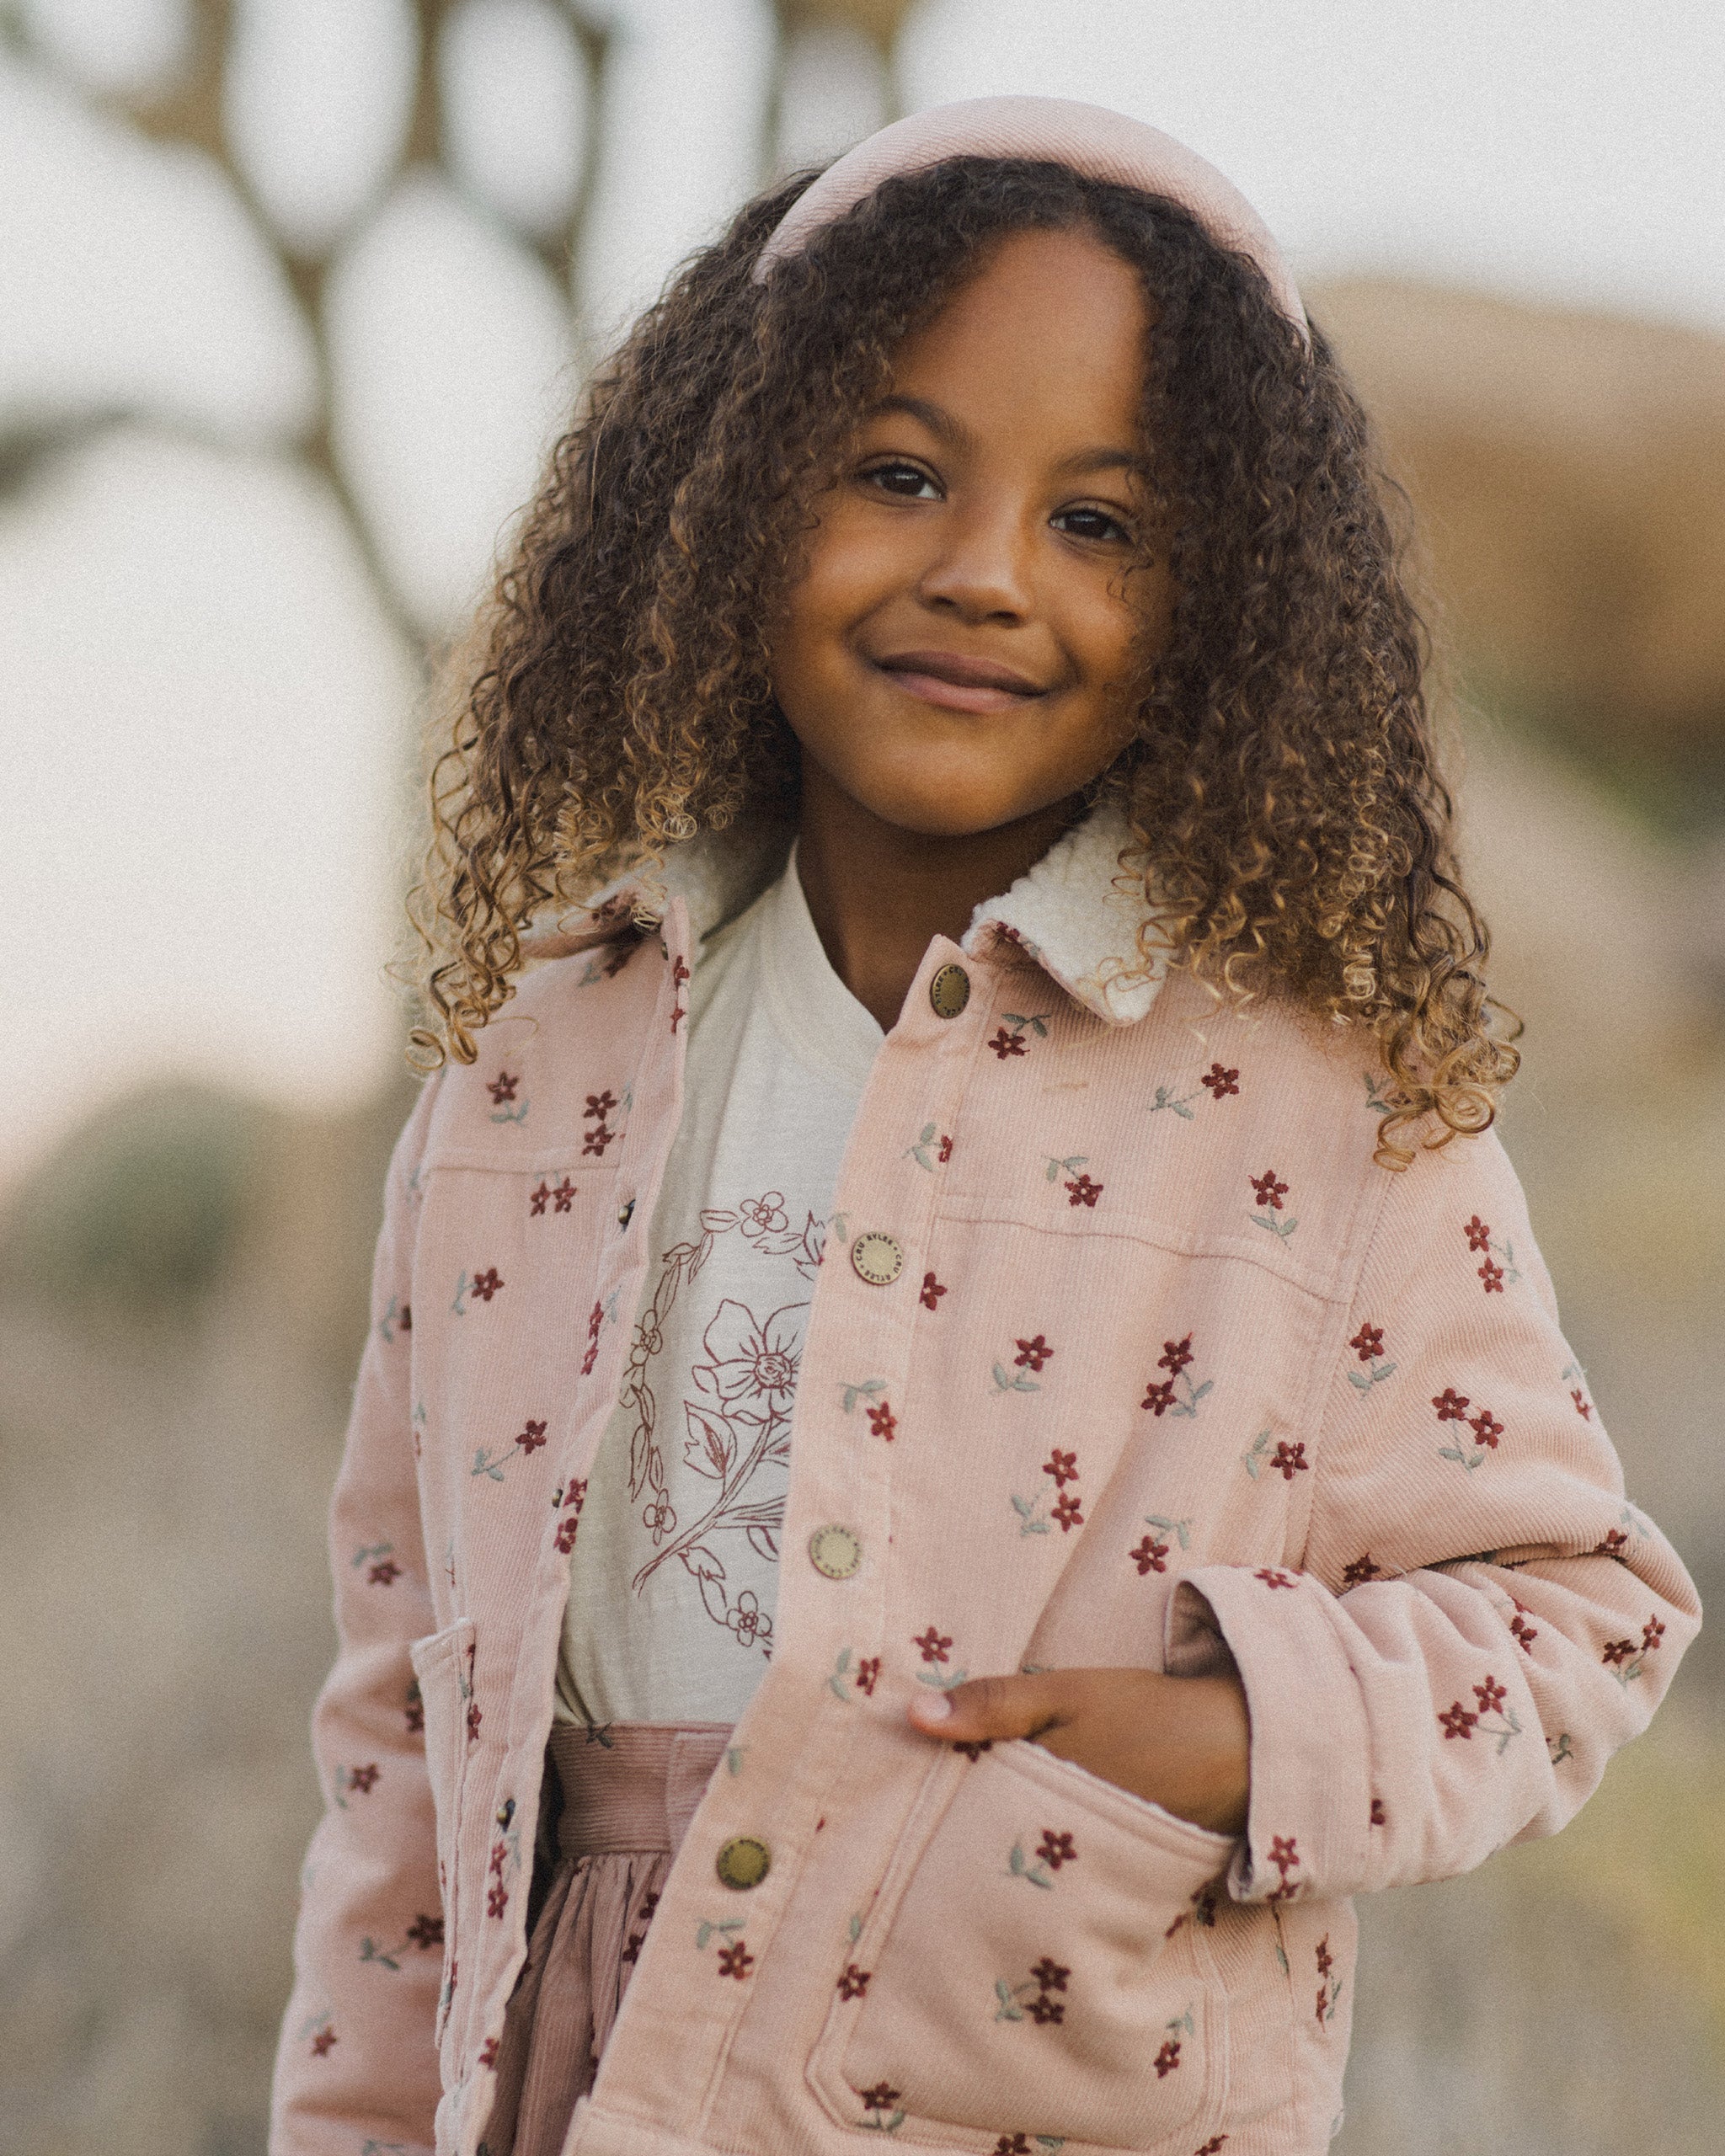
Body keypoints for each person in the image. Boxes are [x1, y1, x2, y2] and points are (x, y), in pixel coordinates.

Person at [270, 99, 1698, 2156]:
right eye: (899, 472)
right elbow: (410, 1705)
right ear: (731, 497)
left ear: (1228, 603)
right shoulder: (535, 1075)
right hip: (573, 2068)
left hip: (1048, 2092)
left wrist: (1226, 1735)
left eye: (1099, 521)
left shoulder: (1320, 1107)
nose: (984, 573)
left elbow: (1577, 1607)